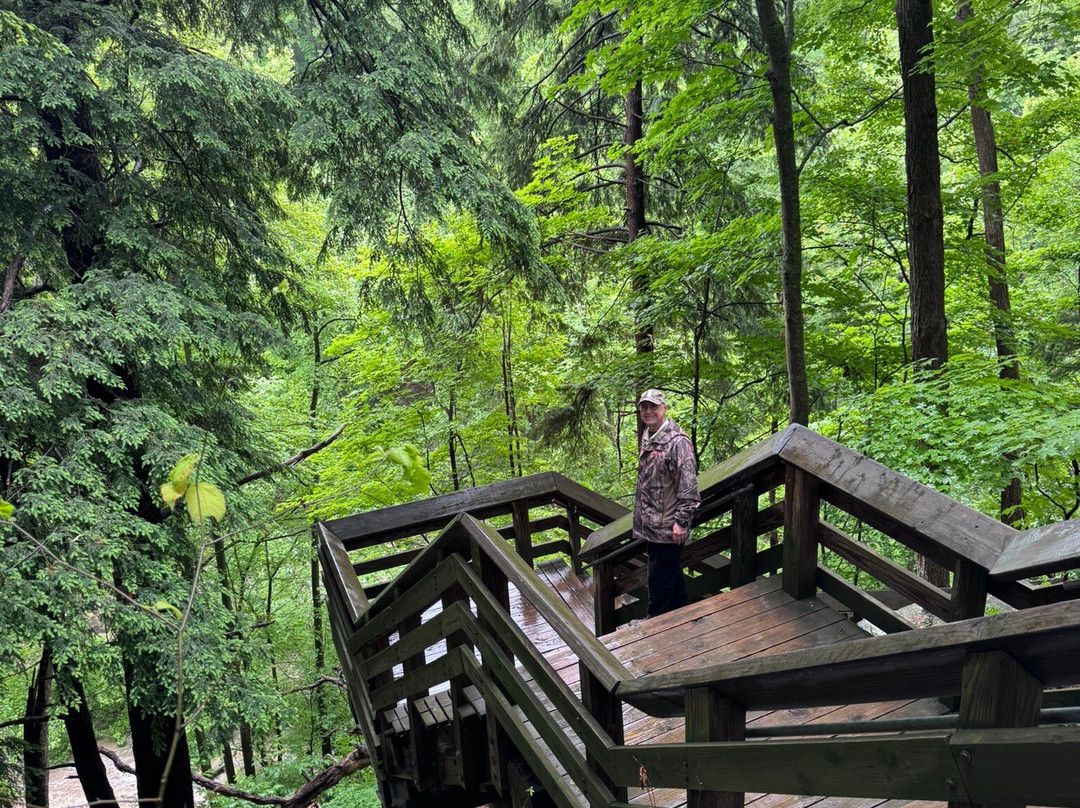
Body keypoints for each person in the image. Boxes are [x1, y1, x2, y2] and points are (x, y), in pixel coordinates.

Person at [633, 389, 700, 618]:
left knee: (658, 578)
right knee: (670, 574)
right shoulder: (649, 435)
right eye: (644, 407)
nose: (648, 411)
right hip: (652, 524)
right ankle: (682, 618)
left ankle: (654, 626)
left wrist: (682, 521)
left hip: (668, 526)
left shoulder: (676, 442)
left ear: (665, 409)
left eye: (654, 406)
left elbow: (689, 485)